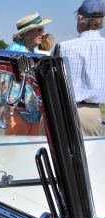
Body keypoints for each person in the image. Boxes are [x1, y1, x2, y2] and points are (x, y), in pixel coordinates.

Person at [0, 13, 51, 136]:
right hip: (19, 112)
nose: (43, 33)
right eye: (39, 30)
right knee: (14, 151)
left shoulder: (34, 52)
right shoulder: (13, 51)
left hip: (34, 113)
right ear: (26, 34)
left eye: (43, 29)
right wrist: (12, 107)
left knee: (30, 150)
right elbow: (3, 82)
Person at [60, 0, 105, 137]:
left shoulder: (63, 47)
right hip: (92, 112)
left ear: (80, 19)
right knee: (90, 155)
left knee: (56, 156)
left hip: (62, 109)